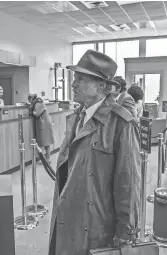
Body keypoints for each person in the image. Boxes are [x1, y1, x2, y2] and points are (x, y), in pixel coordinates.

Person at [49, 50, 141, 255]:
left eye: (80, 79)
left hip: (96, 226)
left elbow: (128, 183)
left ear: (101, 86)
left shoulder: (121, 124)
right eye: (75, 78)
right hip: (69, 217)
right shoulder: (77, 116)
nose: (73, 84)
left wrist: (126, 233)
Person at [28, 94, 55, 164]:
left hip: (44, 125)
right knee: (45, 143)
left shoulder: (38, 103)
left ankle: (46, 159)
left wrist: (31, 109)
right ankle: (46, 159)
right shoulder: (38, 102)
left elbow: (36, 113)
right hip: (44, 124)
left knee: (45, 143)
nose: (29, 102)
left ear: (32, 99)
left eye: (29, 100)